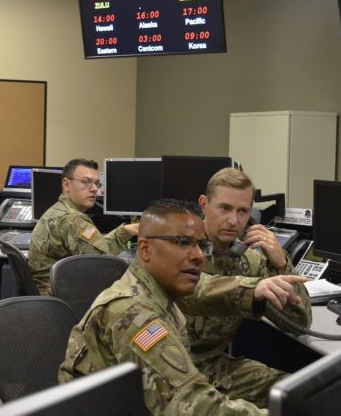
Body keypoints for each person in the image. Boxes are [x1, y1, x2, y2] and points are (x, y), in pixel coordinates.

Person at [59, 199, 307, 415]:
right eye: (183, 243)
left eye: (201, 244)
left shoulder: (159, 291)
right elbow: (191, 408)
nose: (199, 255)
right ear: (145, 249)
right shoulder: (133, 312)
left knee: (290, 392)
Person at [190, 167, 313, 407]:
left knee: (295, 395)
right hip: (168, 367)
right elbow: (195, 290)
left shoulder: (249, 260)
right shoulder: (178, 243)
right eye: (224, 208)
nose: (233, 220)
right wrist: (252, 290)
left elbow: (299, 324)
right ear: (204, 204)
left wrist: (280, 263)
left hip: (212, 366)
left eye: (242, 211)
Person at [28, 158, 138, 295]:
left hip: (51, 295)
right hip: (64, 299)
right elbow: (103, 265)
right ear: (66, 185)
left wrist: (127, 230)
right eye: (86, 182)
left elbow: (98, 250)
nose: (94, 189)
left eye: (97, 183)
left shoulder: (58, 210)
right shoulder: (73, 220)